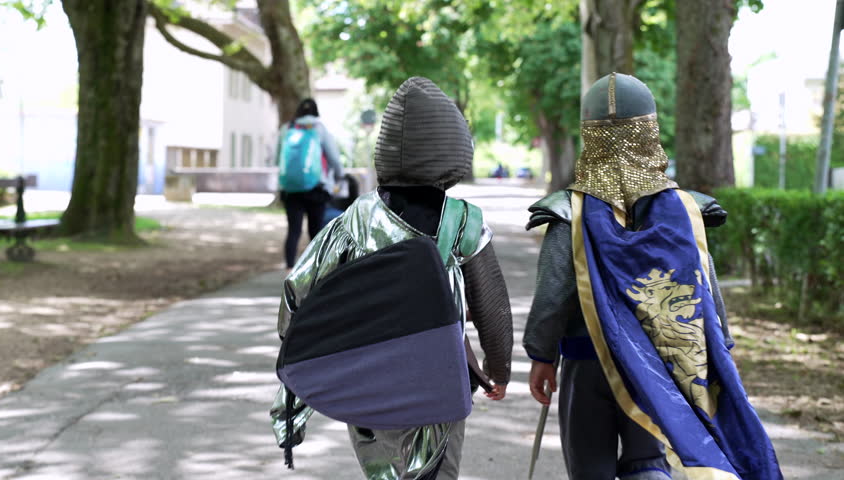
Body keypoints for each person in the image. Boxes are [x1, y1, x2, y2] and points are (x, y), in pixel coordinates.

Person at [523, 73, 782, 480]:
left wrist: (542, 355)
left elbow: (553, 294)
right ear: (650, 131)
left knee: (589, 464)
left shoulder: (569, 213)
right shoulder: (684, 210)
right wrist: (722, 349)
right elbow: (705, 287)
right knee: (648, 463)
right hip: (660, 368)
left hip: (587, 362)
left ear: (589, 135)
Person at [270, 77, 513, 479]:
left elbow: (297, 290)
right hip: (439, 380)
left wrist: (299, 351)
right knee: (436, 470)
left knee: (380, 469)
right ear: (454, 148)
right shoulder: (462, 221)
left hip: (366, 378)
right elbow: (492, 306)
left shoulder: (354, 219)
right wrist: (499, 368)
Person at [277, 98, 344, 271]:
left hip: (290, 188)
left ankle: (289, 269)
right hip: (316, 188)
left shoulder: (286, 128)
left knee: (293, 230)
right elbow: (334, 158)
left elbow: (277, 157)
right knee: (315, 231)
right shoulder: (320, 128)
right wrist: (339, 177)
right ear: (316, 112)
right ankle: (316, 270)